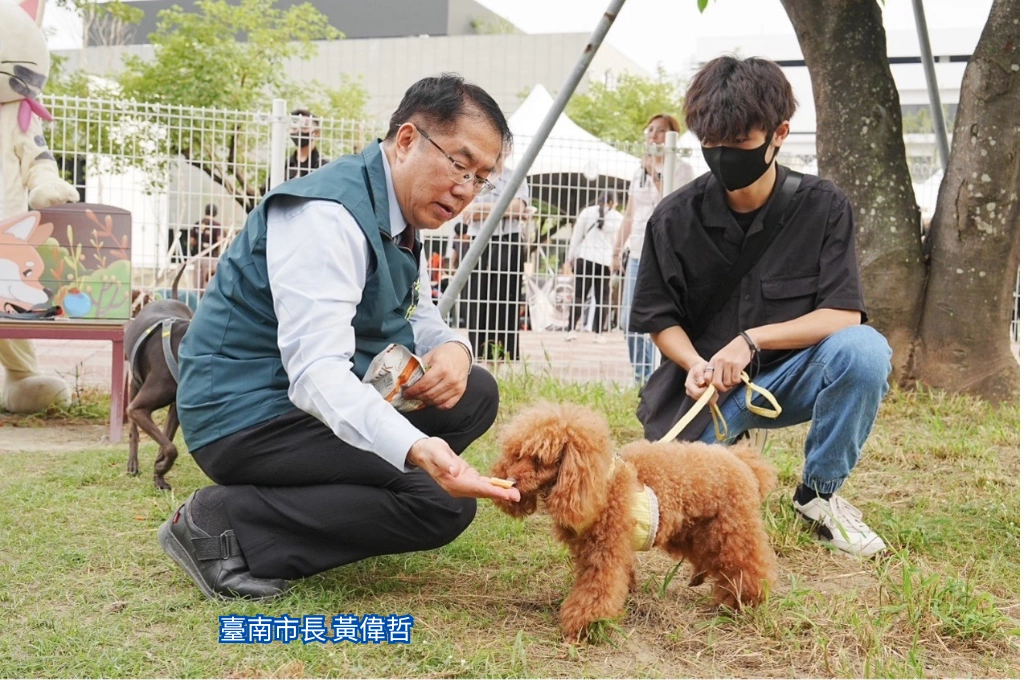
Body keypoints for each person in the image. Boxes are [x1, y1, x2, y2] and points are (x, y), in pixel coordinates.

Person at [160, 74, 521, 600]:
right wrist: (416, 448)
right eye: (459, 165)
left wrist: (455, 349)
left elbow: (416, 312)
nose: (466, 189)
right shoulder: (328, 216)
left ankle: (334, 492)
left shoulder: (398, 212)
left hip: (293, 405)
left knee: (474, 393)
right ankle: (224, 524)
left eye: (482, 178)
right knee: (441, 504)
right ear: (405, 141)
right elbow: (315, 375)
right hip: (242, 414)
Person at [629, 56, 892, 558]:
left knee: (864, 351)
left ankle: (819, 496)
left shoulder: (825, 206)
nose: (724, 156)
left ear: (779, 133)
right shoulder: (672, 217)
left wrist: (752, 341)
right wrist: (696, 364)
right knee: (668, 509)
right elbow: (659, 318)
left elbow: (844, 315)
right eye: (711, 144)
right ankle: (721, 453)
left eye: (740, 144)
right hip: (707, 391)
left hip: (792, 375)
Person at [612, 113, 683, 384]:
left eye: (660, 130)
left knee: (661, 317)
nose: (653, 135)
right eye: (650, 129)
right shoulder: (637, 171)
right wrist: (617, 249)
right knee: (629, 318)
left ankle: (662, 377)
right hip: (638, 252)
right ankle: (641, 377)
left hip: (666, 253)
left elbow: (671, 203)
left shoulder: (680, 166)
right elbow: (630, 214)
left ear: (672, 136)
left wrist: (654, 170)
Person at [462, 166, 530, 362]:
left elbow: (518, 207)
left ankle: (502, 355)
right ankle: (477, 355)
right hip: (477, 240)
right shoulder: (474, 174)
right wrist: (502, 208)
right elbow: (466, 210)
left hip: (508, 241)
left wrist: (481, 209)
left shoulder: (516, 175)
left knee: (505, 298)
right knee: (476, 299)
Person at [565, 191, 621, 337]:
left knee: (579, 295)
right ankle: (599, 334)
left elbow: (577, 236)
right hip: (605, 261)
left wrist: (570, 256)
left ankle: (571, 330)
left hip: (585, 258)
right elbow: (620, 242)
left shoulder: (587, 212)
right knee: (602, 298)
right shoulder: (618, 218)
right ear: (614, 202)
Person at [285, 107, 329, 180]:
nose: (298, 132)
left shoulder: (324, 166)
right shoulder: (285, 165)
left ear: (316, 132)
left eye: (304, 128)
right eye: (294, 128)